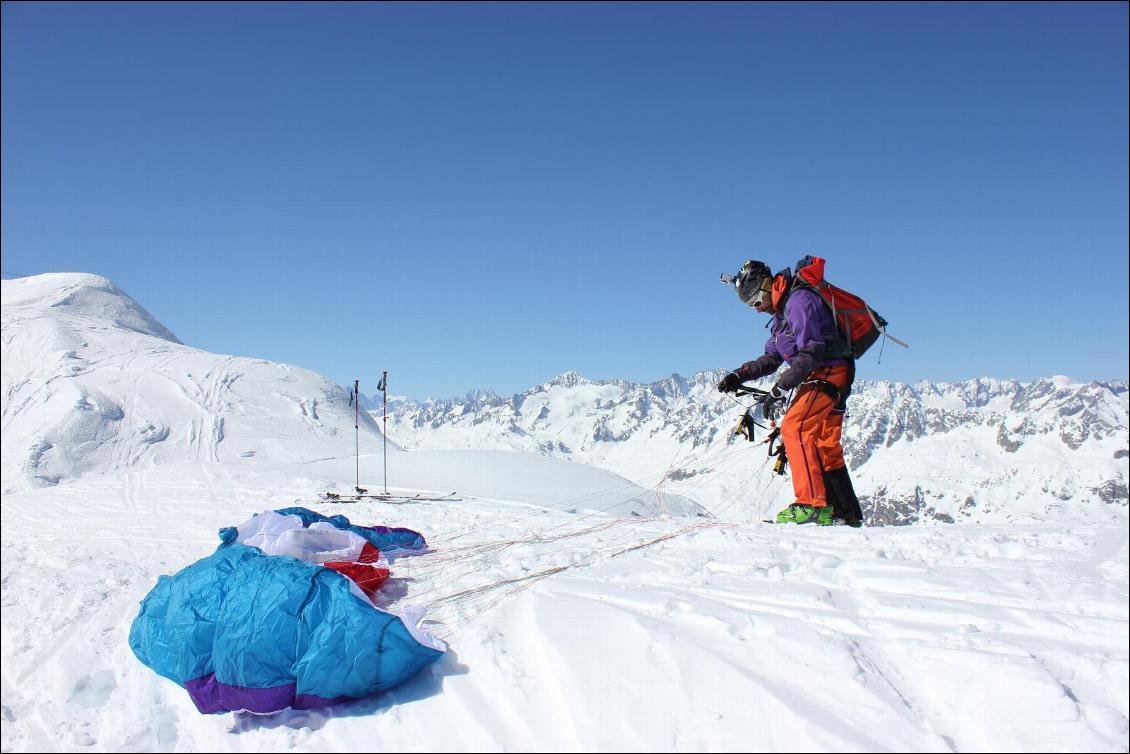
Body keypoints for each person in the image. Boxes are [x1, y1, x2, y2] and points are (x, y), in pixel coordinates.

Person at [717, 260, 864, 527]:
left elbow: (812, 351)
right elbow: (772, 358)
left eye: (753, 300)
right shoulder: (779, 317)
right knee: (824, 442)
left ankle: (811, 504)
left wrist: (780, 388)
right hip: (822, 373)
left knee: (795, 427)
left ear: (763, 286)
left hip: (829, 371)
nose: (755, 308)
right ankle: (845, 513)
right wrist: (738, 374)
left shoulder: (798, 301)